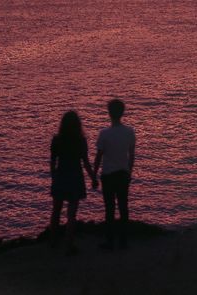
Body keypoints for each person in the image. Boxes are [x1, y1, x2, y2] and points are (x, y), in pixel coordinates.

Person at [50, 110, 96, 255]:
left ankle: (53, 241)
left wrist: (54, 176)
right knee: (71, 214)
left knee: (56, 210)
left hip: (61, 175)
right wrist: (93, 178)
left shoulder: (57, 139)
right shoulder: (81, 140)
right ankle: (69, 245)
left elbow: (52, 162)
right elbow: (86, 163)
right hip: (75, 177)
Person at [94, 99, 136, 250]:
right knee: (124, 207)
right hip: (123, 174)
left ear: (109, 113)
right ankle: (123, 240)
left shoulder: (104, 133)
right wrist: (129, 171)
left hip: (108, 175)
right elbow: (131, 155)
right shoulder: (129, 132)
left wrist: (93, 174)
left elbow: (99, 156)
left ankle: (110, 241)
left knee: (109, 209)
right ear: (122, 112)